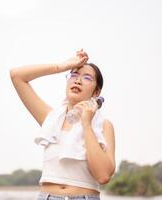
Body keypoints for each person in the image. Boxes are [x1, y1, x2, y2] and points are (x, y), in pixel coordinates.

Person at [10, 49, 115, 200]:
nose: (77, 80)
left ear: (96, 92)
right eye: (74, 75)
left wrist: (86, 124)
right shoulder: (51, 118)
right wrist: (63, 66)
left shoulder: (103, 125)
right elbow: (17, 76)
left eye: (87, 78)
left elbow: (103, 176)